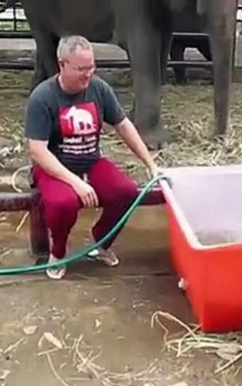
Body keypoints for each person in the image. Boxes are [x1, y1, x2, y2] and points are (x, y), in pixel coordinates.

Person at [24, 35, 159, 280]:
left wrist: (150, 163)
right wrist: (75, 182)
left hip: (90, 160)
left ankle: (101, 242)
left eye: (91, 67)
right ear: (61, 64)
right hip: (54, 167)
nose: (88, 74)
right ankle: (58, 252)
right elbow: (38, 150)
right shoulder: (42, 97)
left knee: (126, 192)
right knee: (64, 202)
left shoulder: (98, 89)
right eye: (81, 69)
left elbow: (123, 124)